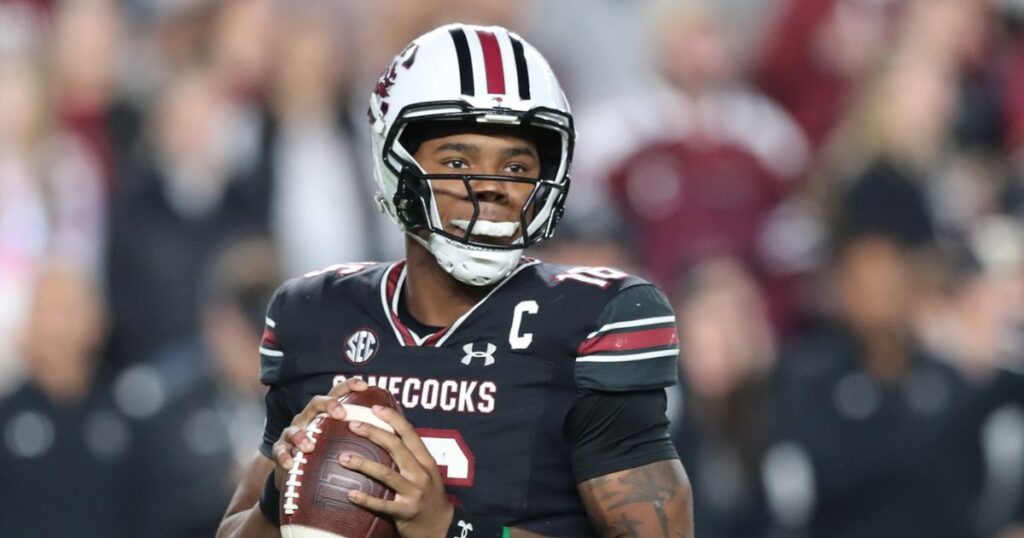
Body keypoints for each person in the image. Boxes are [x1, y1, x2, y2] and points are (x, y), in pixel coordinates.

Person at [217, 23, 693, 538]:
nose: (490, 186)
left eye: (516, 165)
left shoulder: (594, 320)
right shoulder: (316, 314)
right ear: (396, 166)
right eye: (458, 161)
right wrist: (282, 493)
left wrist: (450, 530)